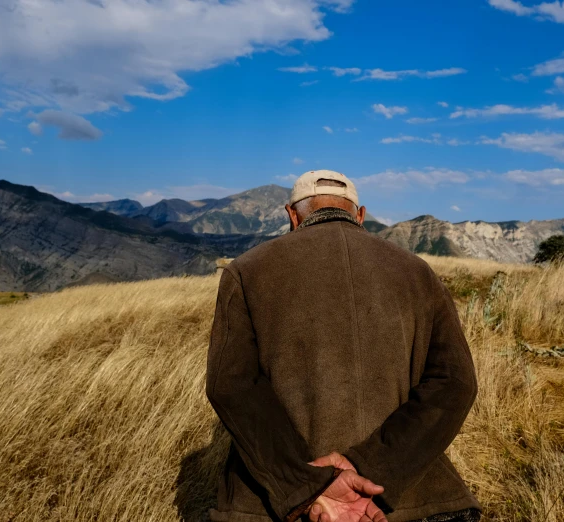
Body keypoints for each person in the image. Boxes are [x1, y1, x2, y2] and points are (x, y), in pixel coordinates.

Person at [206, 170, 481, 522]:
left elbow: (230, 386)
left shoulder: (245, 272)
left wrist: (307, 486)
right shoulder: (419, 273)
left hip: (273, 508)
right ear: (360, 215)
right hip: (415, 502)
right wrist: (370, 468)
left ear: (291, 215)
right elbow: (456, 384)